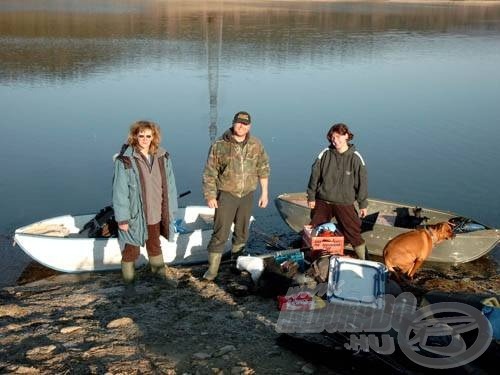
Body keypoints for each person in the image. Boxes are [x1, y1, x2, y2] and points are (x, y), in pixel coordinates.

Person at [202, 111, 270, 281]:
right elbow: (210, 173)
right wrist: (210, 196)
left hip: (247, 195)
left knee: (242, 233)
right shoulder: (219, 144)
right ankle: (212, 272)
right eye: (239, 123)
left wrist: (265, 193)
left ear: (250, 126)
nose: (241, 126)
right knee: (220, 233)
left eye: (245, 124)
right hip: (226, 194)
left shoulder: (256, 144)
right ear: (233, 123)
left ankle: (235, 264)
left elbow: (263, 168)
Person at [112, 120, 178, 287]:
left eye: (148, 136)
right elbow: (120, 192)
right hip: (135, 216)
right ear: (135, 136)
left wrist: (171, 212)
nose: (144, 139)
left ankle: (161, 278)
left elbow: (170, 187)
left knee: (155, 246)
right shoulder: (125, 160)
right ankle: (129, 284)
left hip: (156, 213)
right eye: (141, 135)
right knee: (130, 252)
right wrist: (122, 219)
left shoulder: (163, 157)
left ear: (154, 137)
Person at [306, 123, 368, 259]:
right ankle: (314, 258)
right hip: (323, 200)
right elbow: (314, 176)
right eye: (333, 137)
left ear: (346, 136)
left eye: (339, 136)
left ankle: (364, 261)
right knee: (315, 229)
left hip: (344, 202)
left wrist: (363, 204)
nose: (336, 140)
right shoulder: (325, 154)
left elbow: (362, 183)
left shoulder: (356, 158)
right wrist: (311, 197)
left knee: (353, 232)